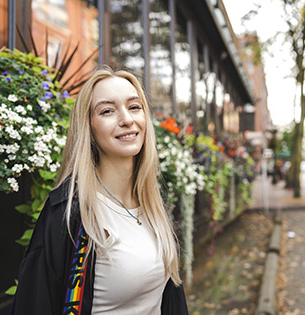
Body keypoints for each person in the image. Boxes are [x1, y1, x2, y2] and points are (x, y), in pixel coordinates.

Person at [10, 67, 188, 314]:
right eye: (107, 111)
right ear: (90, 129)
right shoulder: (70, 212)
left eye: (134, 107)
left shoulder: (151, 204)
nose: (126, 119)